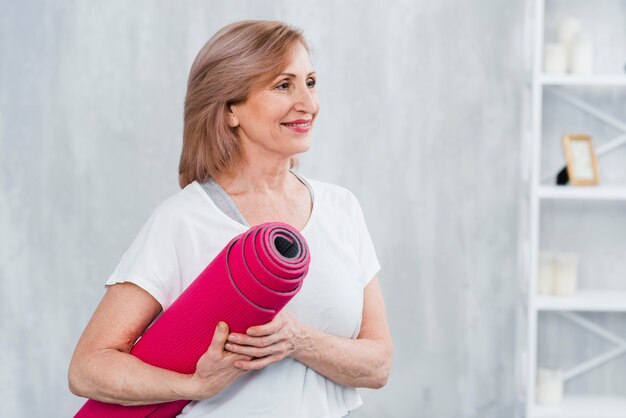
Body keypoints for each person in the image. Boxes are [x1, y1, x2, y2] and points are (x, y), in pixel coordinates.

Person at [68, 20, 392, 418]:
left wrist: (297, 341)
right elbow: (88, 368)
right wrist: (193, 386)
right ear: (231, 109)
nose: (308, 102)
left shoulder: (341, 208)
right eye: (283, 85)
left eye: (310, 81)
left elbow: (378, 365)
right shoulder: (184, 220)